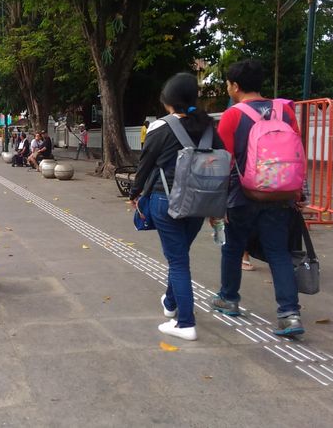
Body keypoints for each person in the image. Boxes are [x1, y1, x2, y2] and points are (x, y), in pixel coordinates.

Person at [211, 59, 304, 337]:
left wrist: (217, 204)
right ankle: (289, 315)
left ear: (235, 86)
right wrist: (299, 192)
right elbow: (297, 153)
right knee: (279, 252)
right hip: (281, 194)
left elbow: (223, 161)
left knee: (232, 247)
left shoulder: (233, 115)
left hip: (242, 195)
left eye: (228, 84)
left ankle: (229, 298)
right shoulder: (285, 110)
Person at [128, 73, 225, 341]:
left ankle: (185, 323)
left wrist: (135, 193)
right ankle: (170, 303)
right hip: (200, 202)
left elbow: (145, 164)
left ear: (168, 100)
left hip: (165, 201)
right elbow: (223, 159)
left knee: (178, 261)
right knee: (179, 255)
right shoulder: (208, 127)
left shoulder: (161, 127)